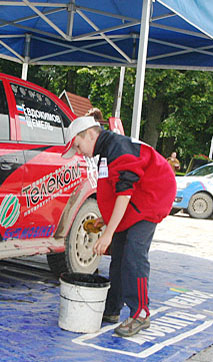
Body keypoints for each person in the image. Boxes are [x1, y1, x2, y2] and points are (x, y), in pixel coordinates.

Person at [63, 116, 176, 337]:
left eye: (78, 145)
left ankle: (141, 312)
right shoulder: (104, 152)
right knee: (119, 256)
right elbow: (113, 190)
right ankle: (113, 308)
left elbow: (125, 192)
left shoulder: (118, 148)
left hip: (152, 198)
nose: (79, 151)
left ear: (91, 134)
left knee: (134, 253)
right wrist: (105, 221)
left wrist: (108, 233)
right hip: (136, 200)